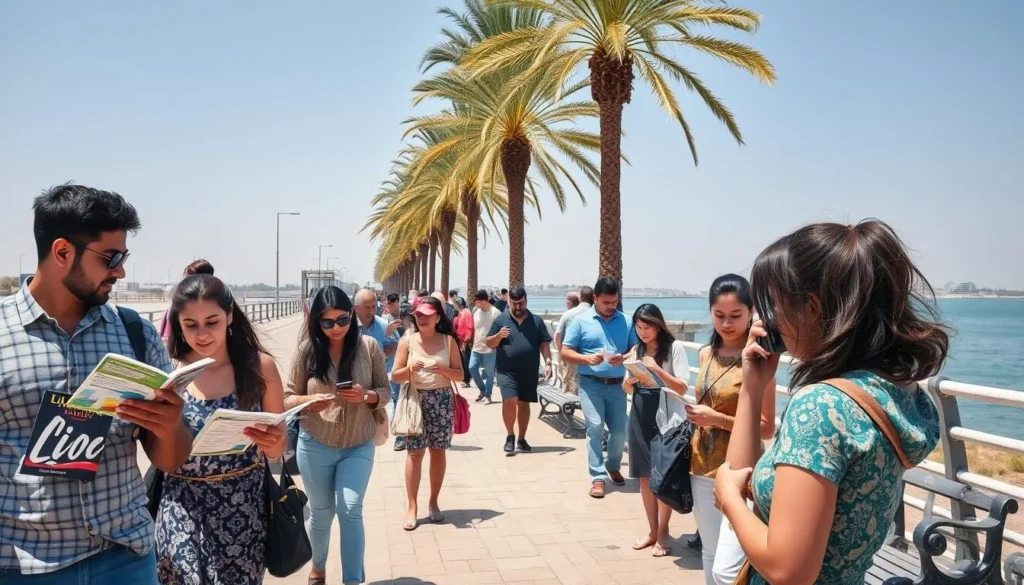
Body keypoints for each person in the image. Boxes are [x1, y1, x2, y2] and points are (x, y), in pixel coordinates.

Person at [715, 221, 947, 585]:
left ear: (810, 307)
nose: (769, 320)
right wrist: (752, 387)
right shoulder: (900, 392)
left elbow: (788, 571)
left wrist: (727, 496)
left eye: (775, 304)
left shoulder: (823, 407)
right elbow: (745, 474)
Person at [0, 184, 191, 583]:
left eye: (124, 257)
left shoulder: (135, 333)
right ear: (62, 252)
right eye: (111, 257)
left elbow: (169, 460)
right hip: (28, 565)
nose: (120, 270)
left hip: (127, 559)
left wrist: (170, 424)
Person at [156, 269, 287, 584]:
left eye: (211, 322)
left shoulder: (259, 367)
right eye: (191, 325)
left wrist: (273, 445)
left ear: (229, 316)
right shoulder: (167, 370)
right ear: (177, 325)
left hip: (241, 510)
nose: (202, 334)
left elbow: (280, 443)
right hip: (179, 506)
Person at [286, 286, 391, 585]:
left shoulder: (368, 347)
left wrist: (367, 395)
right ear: (317, 322)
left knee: (350, 510)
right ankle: (318, 568)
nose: (336, 328)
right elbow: (286, 396)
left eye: (342, 320)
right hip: (315, 442)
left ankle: (353, 580)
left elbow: (384, 392)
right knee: (320, 513)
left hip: (358, 443)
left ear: (352, 315)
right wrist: (308, 401)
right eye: (327, 322)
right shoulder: (307, 351)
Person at [620, 304, 690, 559]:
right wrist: (629, 382)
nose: (642, 332)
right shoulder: (636, 349)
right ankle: (652, 530)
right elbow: (626, 390)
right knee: (644, 479)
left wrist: (656, 370)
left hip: (666, 420)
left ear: (658, 324)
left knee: (663, 478)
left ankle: (663, 531)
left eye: (646, 326)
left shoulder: (674, 349)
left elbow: (682, 387)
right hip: (639, 416)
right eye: (638, 327)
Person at [390, 296, 464, 531]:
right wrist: (409, 370)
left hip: (441, 400)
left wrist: (443, 369)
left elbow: (460, 376)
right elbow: (395, 375)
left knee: (438, 452)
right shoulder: (407, 341)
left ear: (438, 317)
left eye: (427, 314)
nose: (422, 318)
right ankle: (412, 506)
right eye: (418, 315)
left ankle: (433, 502)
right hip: (415, 399)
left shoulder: (448, 341)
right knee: (414, 453)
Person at [560, 277, 636, 499]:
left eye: (614, 302)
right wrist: (585, 359)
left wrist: (625, 356)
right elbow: (565, 351)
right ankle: (598, 477)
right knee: (594, 426)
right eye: (606, 302)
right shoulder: (580, 321)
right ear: (595, 299)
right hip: (590, 384)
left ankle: (613, 465)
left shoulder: (626, 321)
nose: (611, 307)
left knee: (620, 430)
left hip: (617, 386)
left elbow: (636, 347)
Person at [486, 287, 553, 455]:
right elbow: (489, 343)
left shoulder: (536, 321)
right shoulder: (501, 321)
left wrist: (549, 362)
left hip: (529, 371)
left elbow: (544, 343)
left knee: (523, 403)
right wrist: (498, 336)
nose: (517, 307)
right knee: (510, 399)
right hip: (506, 370)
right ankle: (510, 435)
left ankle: (521, 439)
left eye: (520, 303)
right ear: (509, 302)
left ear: (526, 301)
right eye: (513, 304)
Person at [155, 259, 215, 346]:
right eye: (185, 280)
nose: (185, 285)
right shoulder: (172, 311)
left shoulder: (218, 309)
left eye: (190, 280)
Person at [554, 286, 594, 395]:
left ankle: (569, 408)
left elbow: (557, 334)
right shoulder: (596, 313)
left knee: (570, 387)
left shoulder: (569, 314)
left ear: (580, 298)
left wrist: (561, 352)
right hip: (591, 357)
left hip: (571, 356)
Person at [469, 290, 501, 403]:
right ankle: (483, 390)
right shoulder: (476, 312)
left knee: (489, 373)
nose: (475, 304)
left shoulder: (496, 313)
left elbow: (500, 331)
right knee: (472, 368)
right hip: (476, 347)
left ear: (483, 301)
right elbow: (475, 328)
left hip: (490, 348)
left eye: (477, 301)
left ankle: (488, 395)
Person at [451, 296, 475, 388]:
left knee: (466, 360)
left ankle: (466, 379)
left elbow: (469, 327)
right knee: (462, 360)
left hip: (464, 341)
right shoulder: (460, 313)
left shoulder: (466, 313)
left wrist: (466, 340)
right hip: (459, 340)